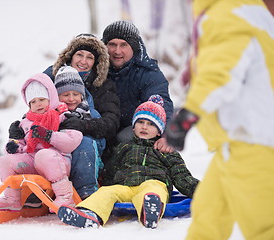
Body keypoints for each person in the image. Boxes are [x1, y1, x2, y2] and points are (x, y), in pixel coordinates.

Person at [165, 1, 274, 239]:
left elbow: (220, 74)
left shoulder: (228, 15)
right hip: (237, 143)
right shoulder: (249, 11)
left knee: (264, 226)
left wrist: (188, 115)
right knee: (209, 217)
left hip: (254, 142)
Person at [57, 95, 199, 229]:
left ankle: (150, 210)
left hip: (153, 182)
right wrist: (106, 181)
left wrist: (202, 192)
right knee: (107, 191)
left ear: (159, 131)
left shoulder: (165, 150)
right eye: (141, 122)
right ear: (133, 127)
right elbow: (110, 171)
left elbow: (181, 175)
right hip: (125, 186)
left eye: (150, 124)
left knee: (154, 190)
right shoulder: (123, 147)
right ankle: (89, 213)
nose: (144, 127)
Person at [41, 33, 121, 199]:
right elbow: (36, 106)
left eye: (89, 57)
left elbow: (111, 121)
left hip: (89, 139)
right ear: (70, 56)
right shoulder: (51, 78)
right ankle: (37, 190)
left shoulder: (103, 85)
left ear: (96, 62)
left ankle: (86, 193)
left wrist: (85, 126)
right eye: (79, 54)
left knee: (83, 144)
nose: (83, 61)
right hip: (54, 133)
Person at [0, 73, 83, 212]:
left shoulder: (63, 117)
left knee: (44, 155)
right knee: (5, 161)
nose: (38, 104)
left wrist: (49, 135)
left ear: (50, 98)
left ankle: (65, 197)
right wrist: (13, 147)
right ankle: (12, 199)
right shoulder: (25, 122)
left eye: (41, 99)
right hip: (31, 160)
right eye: (33, 101)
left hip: (56, 160)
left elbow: (72, 141)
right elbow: (22, 146)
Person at [101, 20, 174, 153]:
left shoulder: (148, 74)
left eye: (123, 45)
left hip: (132, 129)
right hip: (102, 126)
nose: (117, 51)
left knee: (126, 137)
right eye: (112, 44)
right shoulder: (95, 66)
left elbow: (161, 103)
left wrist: (166, 136)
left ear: (133, 48)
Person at [54, 65, 106, 195]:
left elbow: (101, 142)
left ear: (81, 95)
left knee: (84, 143)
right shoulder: (52, 113)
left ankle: (85, 191)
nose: (71, 99)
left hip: (88, 159)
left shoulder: (90, 113)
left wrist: (83, 128)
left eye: (76, 94)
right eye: (66, 94)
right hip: (60, 159)